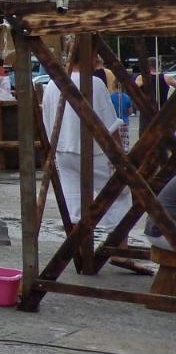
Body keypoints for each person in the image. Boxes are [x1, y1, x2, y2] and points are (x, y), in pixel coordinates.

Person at [42, 60, 130, 230]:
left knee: (74, 198)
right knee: (117, 194)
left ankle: (79, 247)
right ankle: (119, 247)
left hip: (63, 149)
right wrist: (120, 154)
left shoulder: (52, 84)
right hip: (94, 149)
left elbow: (47, 118)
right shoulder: (94, 83)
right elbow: (109, 123)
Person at [109, 82, 134, 151]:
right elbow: (130, 111)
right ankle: (125, 149)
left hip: (114, 121)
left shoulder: (111, 97)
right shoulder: (127, 97)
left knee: (115, 139)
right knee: (124, 138)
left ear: (114, 85)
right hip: (124, 121)